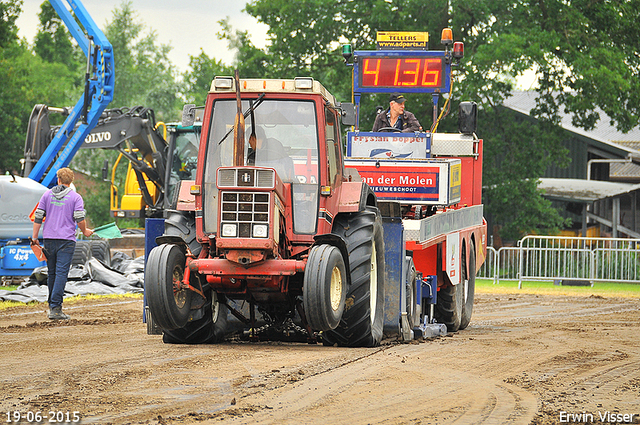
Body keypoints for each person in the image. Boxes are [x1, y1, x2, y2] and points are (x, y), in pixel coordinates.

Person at [31, 168, 93, 320]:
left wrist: (35, 237)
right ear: (71, 182)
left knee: (52, 273)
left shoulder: (47, 195)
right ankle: (56, 309)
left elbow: (38, 217)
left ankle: (52, 306)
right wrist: (85, 231)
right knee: (61, 274)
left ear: (58, 179)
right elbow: (80, 219)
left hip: (49, 240)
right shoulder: (75, 197)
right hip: (66, 241)